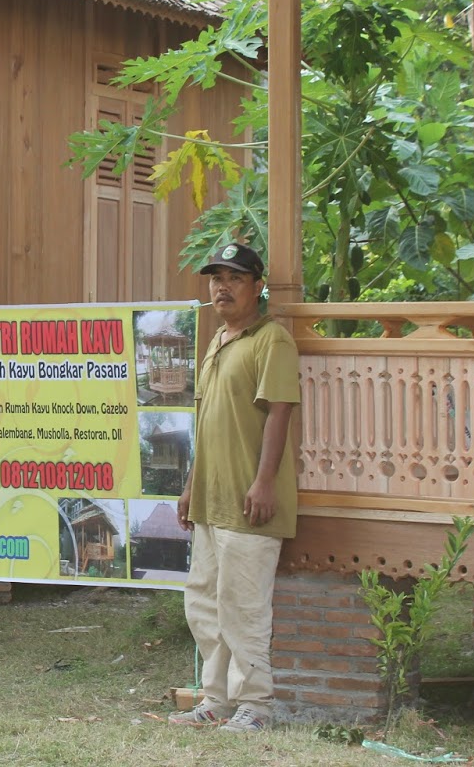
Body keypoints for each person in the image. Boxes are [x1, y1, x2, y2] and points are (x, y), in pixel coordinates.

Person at [169, 242, 300, 733]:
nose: (222, 287)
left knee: (244, 606)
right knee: (203, 602)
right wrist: (189, 487)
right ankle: (216, 699)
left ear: (257, 286)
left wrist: (265, 481)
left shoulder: (273, 341)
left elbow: (279, 412)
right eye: (216, 279)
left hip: (251, 501)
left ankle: (257, 705)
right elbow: (207, 423)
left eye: (235, 278)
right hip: (210, 499)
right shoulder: (217, 340)